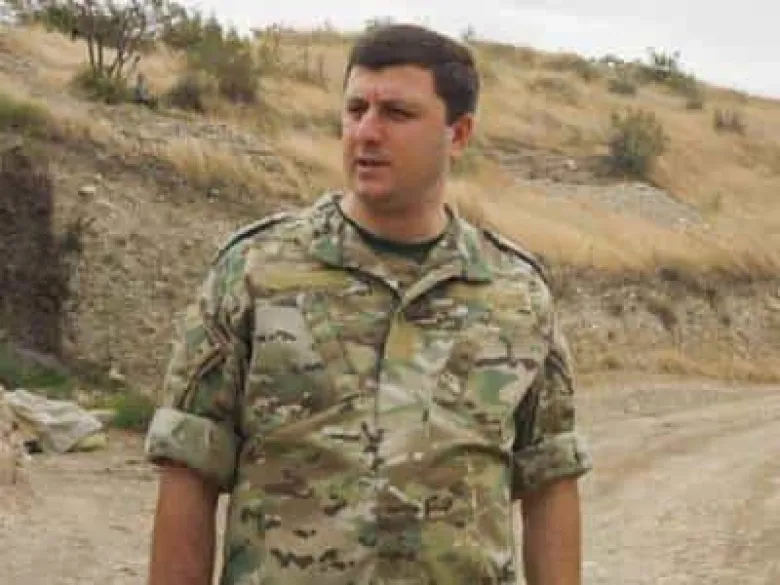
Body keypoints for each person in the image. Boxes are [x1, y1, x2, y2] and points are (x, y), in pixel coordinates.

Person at [144, 23, 592, 585]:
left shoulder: (516, 293)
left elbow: (549, 476)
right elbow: (191, 467)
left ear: (458, 134)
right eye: (356, 109)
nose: (367, 132)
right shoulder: (255, 270)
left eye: (397, 114)